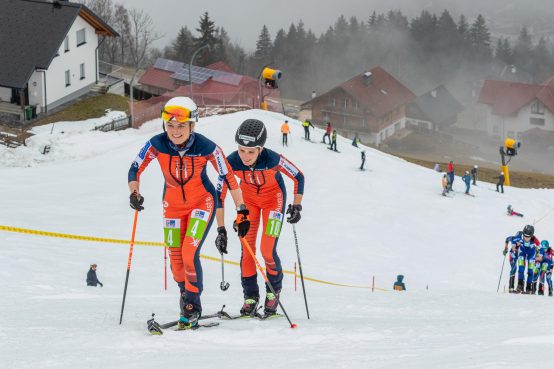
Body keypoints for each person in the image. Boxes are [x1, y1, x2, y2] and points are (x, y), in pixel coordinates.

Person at [127, 96, 250, 329]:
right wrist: (135, 193)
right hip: (172, 206)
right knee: (175, 259)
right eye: (170, 125)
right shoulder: (156, 144)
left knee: (188, 253)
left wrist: (242, 211)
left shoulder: (207, 147)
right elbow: (135, 168)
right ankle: (186, 296)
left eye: (181, 126)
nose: (175, 131)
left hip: (201, 203)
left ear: (192, 125)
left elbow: (230, 179)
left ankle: (193, 306)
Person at [217, 119, 305, 317]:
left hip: (274, 201)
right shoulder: (231, 162)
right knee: (247, 250)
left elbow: (298, 177)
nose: (245, 157)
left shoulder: (273, 159)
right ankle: (250, 296)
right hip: (248, 206)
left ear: (260, 148)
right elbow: (219, 196)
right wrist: (220, 230)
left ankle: (273, 292)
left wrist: (297, 205)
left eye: (251, 151)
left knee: (267, 249)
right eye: (241, 150)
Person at [504, 225, 540, 293]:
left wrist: (538, 252)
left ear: (531, 236)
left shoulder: (535, 240)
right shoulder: (518, 237)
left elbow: (540, 249)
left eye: (528, 237)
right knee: (521, 268)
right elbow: (507, 239)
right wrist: (506, 248)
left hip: (531, 254)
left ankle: (528, 288)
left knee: (530, 270)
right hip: (522, 253)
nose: (526, 238)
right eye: (525, 236)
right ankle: (520, 285)